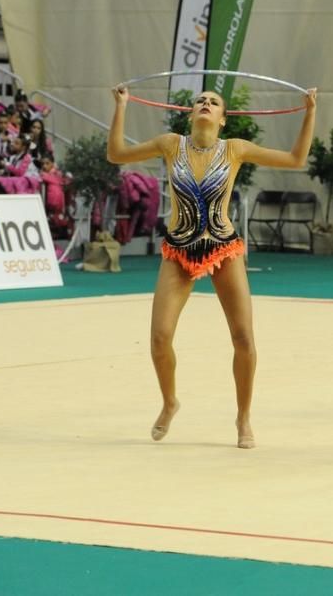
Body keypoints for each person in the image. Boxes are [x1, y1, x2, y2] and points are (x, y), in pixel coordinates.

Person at [107, 84, 317, 449]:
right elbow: (116, 153)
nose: (205, 103)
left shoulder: (235, 149)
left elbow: (296, 159)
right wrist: (122, 105)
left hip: (223, 249)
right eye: (200, 101)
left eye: (213, 102)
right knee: (159, 338)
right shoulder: (171, 144)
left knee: (244, 339)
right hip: (179, 250)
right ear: (191, 114)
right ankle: (170, 402)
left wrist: (310, 111)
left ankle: (243, 417)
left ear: (222, 119)